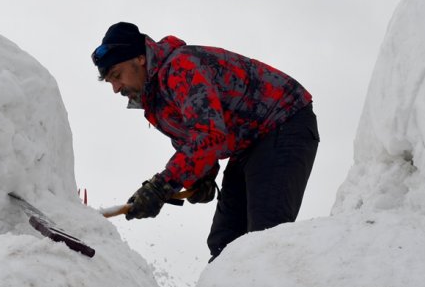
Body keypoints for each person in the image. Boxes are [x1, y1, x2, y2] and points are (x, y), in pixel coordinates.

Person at [92, 22, 319, 262]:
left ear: (139, 58)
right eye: (110, 82)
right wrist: (203, 177)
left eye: (117, 75)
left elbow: (208, 134)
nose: (116, 88)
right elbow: (193, 140)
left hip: (283, 121)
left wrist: (161, 186)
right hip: (248, 143)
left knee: (264, 236)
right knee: (225, 241)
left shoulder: (181, 67)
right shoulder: (154, 101)